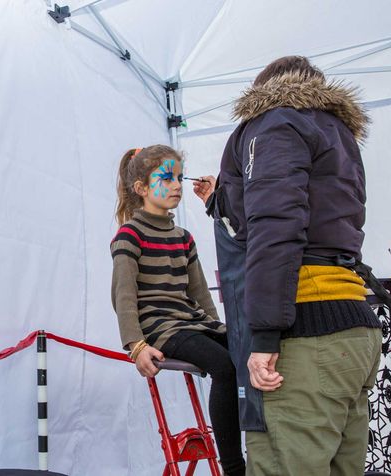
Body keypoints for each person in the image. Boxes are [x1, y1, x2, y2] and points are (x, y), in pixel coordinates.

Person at [198, 56, 382, 475]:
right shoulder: (337, 134)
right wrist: (220, 200)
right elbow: (315, 217)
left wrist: (263, 337)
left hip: (305, 332)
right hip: (354, 325)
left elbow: (275, 227)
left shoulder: (274, 124)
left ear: (262, 91)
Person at [110, 145, 246, 476]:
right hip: (163, 329)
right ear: (141, 188)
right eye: (165, 178)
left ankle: (263, 447)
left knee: (248, 351)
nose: (176, 186)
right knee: (225, 368)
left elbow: (200, 293)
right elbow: (123, 296)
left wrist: (220, 330)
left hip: (193, 324)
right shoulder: (130, 235)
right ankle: (234, 467)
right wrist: (136, 345)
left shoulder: (184, 238)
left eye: (178, 178)